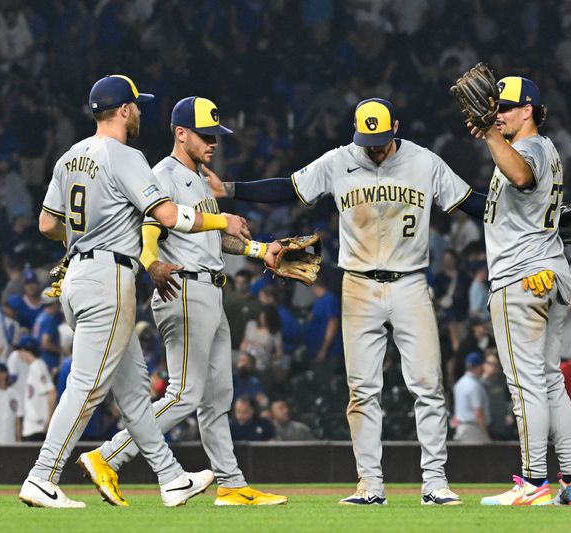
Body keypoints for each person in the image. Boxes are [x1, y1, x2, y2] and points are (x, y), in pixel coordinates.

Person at [206, 97, 484, 506]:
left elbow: (471, 202)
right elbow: (290, 189)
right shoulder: (339, 160)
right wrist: (230, 189)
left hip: (410, 282)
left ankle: (435, 482)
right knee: (362, 390)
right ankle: (370, 484)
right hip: (357, 285)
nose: (373, 146)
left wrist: (523, 213)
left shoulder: (425, 162)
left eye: (380, 139)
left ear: (397, 129)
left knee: (428, 386)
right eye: (367, 139)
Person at [18, 76, 250, 509]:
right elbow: (166, 213)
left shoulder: (70, 156)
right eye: (137, 106)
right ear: (123, 110)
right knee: (86, 387)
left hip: (79, 274)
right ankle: (42, 475)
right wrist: (222, 222)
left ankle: (170, 476)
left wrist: (85, 240)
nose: (140, 112)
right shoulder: (124, 154)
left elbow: (48, 225)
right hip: (108, 278)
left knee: (134, 388)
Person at [79, 95, 286, 507]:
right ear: (180, 133)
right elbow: (150, 227)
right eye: (204, 135)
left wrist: (261, 250)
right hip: (185, 289)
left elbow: (212, 237)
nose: (213, 142)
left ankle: (230, 484)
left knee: (217, 399)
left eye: (215, 135)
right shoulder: (163, 175)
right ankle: (107, 456)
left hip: (211, 286)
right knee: (184, 394)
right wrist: (151, 262)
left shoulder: (201, 177)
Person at [464, 76, 571, 506]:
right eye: (494, 107)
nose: (497, 112)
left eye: (506, 106)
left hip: (521, 277)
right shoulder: (539, 148)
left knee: (527, 387)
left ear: (528, 110)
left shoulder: (530, 149)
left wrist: (487, 135)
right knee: (551, 381)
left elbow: (519, 176)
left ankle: (534, 484)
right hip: (549, 271)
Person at [15, 336, 55, 442]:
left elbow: (51, 392)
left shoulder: (38, 366)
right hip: (32, 427)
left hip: (39, 427)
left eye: (20, 349)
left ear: (28, 350)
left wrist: (50, 418)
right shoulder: (33, 367)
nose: (18, 353)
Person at [452, 352, 491, 443]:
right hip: (474, 430)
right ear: (478, 366)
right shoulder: (474, 385)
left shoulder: (459, 383)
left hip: (460, 428)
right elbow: (478, 413)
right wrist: (484, 431)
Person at [32, 292, 63, 373]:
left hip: (39, 359)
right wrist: (62, 352)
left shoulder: (40, 316)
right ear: (54, 303)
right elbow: (46, 344)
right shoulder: (49, 319)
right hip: (49, 362)